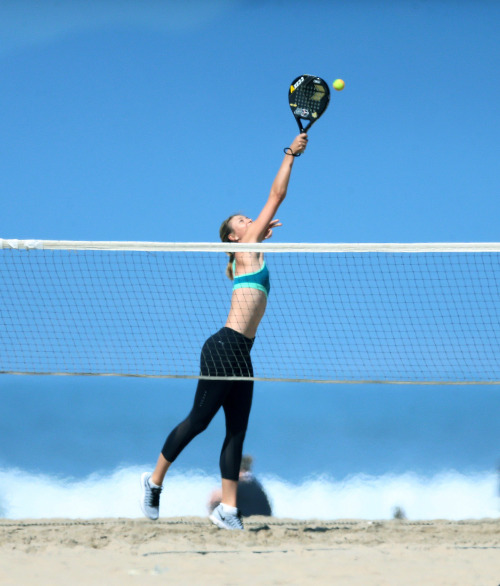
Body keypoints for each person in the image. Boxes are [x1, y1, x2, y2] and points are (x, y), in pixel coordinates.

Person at [140, 132, 308, 530]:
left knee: (237, 431)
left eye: (248, 219)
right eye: (242, 222)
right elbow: (276, 196)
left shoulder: (246, 255)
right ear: (234, 237)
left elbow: (253, 242)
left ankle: (228, 510)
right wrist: (290, 155)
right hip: (223, 347)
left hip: (243, 352)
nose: (249, 220)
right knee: (198, 422)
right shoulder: (241, 250)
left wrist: (259, 237)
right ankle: (154, 480)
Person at [208, 455, 272, 517]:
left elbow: (214, 499)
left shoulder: (237, 485)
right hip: (263, 518)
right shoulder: (256, 485)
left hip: (245, 520)